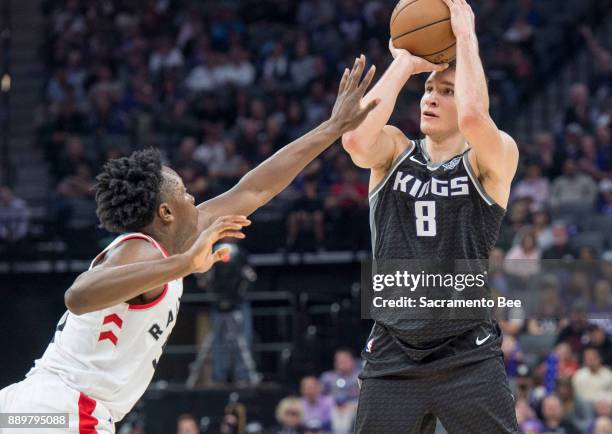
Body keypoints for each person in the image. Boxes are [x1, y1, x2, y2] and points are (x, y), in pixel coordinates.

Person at [0, 57, 379, 434]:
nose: (193, 196)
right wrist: (183, 265)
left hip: (40, 410)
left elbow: (255, 188)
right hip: (63, 410)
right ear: (165, 212)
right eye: (183, 191)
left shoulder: (163, 246)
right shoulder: (139, 249)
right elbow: (77, 295)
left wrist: (332, 128)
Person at [341, 1, 520, 432]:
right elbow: (354, 139)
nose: (431, 97)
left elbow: (477, 117)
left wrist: (466, 38)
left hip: (467, 352)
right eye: (429, 89)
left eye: (447, 90)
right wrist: (404, 61)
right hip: (392, 350)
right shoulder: (394, 151)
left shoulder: (492, 158)